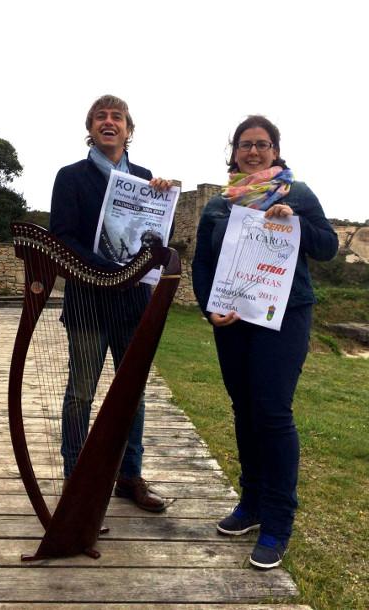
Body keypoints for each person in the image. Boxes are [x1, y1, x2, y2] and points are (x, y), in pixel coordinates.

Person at [192, 115, 338, 569]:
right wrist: (207, 307)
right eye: (244, 144)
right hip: (234, 316)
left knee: (273, 413)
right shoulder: (219, 204)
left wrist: (295, 221)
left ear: (275, 150)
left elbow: (328, 246)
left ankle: (278, 522)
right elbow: (202, 263)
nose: (253, 151)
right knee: (243, 408)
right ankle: (251, 504)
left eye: (262, 144)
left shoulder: (298, 193)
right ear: (233, 151)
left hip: (285, 315)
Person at [49, 94, 172, 512]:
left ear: (128, 129)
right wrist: (105, 268)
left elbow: (153, 238)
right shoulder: (70, 177)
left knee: (132, 394)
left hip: (132, 304)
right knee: (80, 393)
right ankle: (74, 478)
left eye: (116, 117)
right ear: (90, 127)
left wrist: (161, 197)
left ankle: (129, 476)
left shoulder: (144, 177)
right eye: (100, 116)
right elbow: (62, 236)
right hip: (87, 300)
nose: (108, 122)